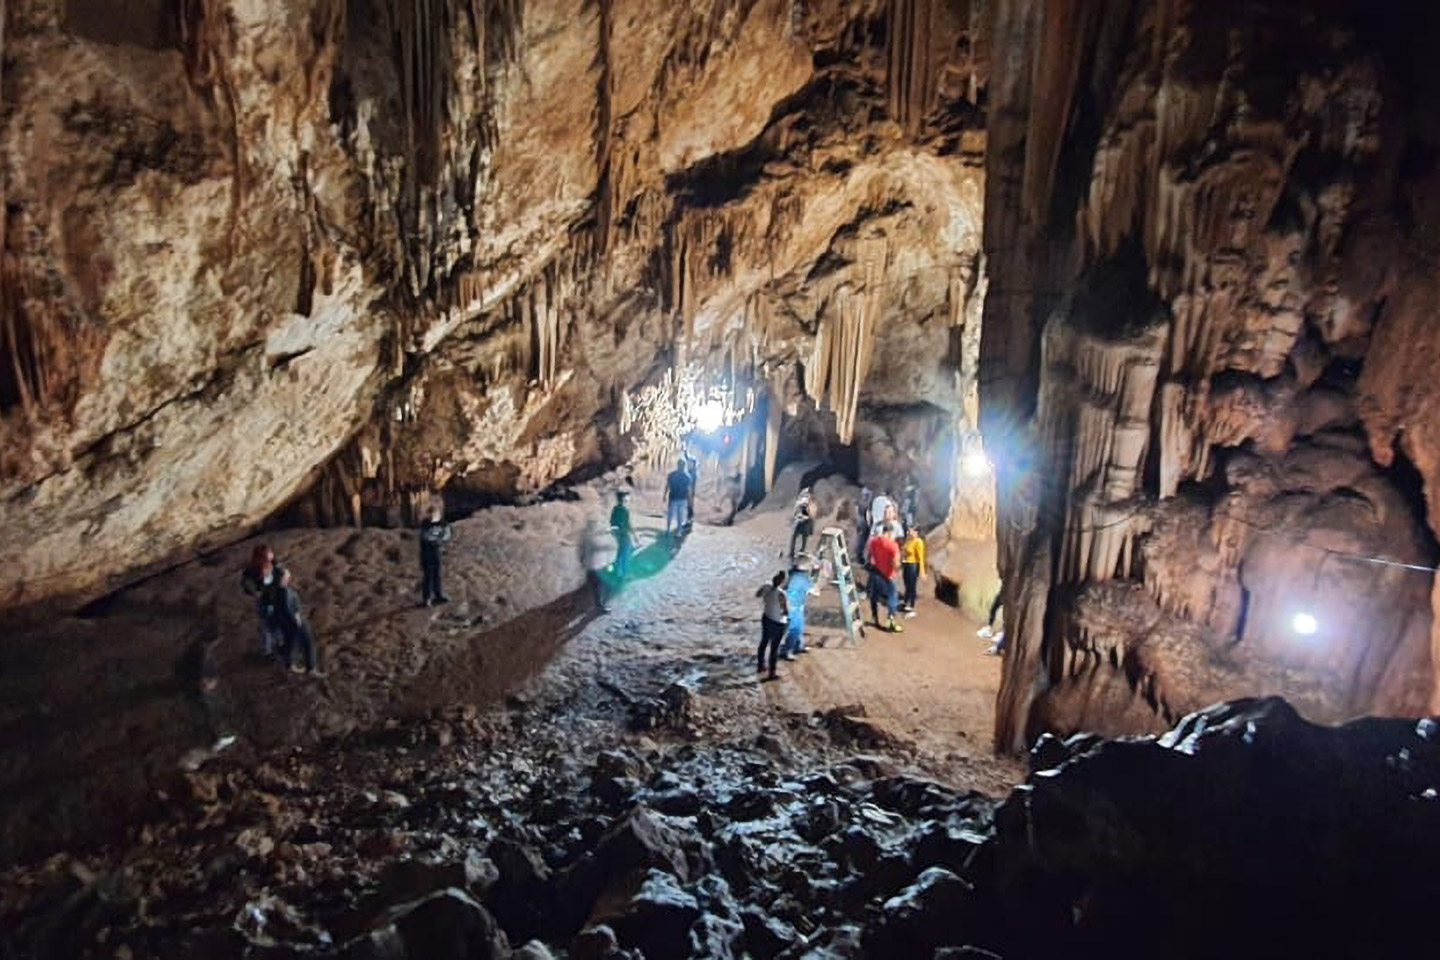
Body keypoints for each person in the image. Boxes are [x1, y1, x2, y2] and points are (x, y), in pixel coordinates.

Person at [174, 626, 236, 770]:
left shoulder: (202, 652)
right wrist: (205, 683)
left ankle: (216, 736)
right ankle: (218, 736)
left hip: (201, 689)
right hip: (199, 690)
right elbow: (196, 674)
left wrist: (212, 680)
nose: (215, 645)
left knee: (211, 709)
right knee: (209, 710)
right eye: (214, 643)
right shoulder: (200, 654)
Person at [240, 545, 286, 658]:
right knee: (266, 625)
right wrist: (255, 592)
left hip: (276, 597)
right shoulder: (252, 570)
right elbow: (246, 583)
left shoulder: (274, 563)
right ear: (258, 559)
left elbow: (282, 573)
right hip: (264, 600)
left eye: (270, 558)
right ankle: (267, 651)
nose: (269, 561)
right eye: (266, 559)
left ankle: (281, 644)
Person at [275, 569, 322, 676]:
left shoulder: (277, 590)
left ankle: (289, 665)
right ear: (283, 578)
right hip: (295, 621)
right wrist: (297, 620)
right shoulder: (285, 592)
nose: (289, 577)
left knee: (290, 643)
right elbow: (289, 609)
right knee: (308, 642)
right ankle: (311, 669)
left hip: (285, 622)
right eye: (287, 576)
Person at [866, 528, 903, 633]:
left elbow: (871, 556)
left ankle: (874, 616)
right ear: (890, 532)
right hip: (888, 576)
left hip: (876, 572)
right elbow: (896, 563)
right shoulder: (893, 545)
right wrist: (898, 568)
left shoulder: (874, 541)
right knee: (892, 596)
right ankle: (890, 619)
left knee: (874, 596)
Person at [757, 570, 789, 681]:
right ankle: (772, 673)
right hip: (778, 623)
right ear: (783, 582)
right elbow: (786, 611)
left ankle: (760, 666)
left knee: (764, 642)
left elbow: (758, 594)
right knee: (774, 648)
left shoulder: (766, 587)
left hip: (766, 618)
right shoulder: (782, 594)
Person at [781, 556, 813, 659]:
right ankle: (787, 652)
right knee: (795, 629)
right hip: (794, 608)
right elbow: (814, 591)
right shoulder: (803, 579)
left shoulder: (792, 574)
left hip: (790, 606)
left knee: (799, 628)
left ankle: (799, 646)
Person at [665, 457, 693, 540]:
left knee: (673, 515)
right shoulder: (687, 476)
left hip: (675, 498)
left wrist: (665, 494)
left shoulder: (672, 475)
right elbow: (689, 490)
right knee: (679, 516)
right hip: (681, 498)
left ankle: (669, 530)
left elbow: (667, 486)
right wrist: (690, 501)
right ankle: (678, 531)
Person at [901, 526, 926, 615]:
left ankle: (911, 605)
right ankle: (905, 601)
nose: (908, 532)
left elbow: (921, 558)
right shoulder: (909, 540)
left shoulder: (918, 542)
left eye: (910, 530)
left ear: (916, 532)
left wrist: (922, 572)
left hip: (913, 565)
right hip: (906, 564)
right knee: (907, 584)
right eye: (908, 530)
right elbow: (904, 550)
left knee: (912, 585)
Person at [610, 489, 635, 581]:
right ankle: (623, 574)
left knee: (622, 551)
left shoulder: (615, 508)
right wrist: (634, 535)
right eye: (627, 496)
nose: (629, 497)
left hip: (618, 533)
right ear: (624, 498)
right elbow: (628, 524)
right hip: (623, 533)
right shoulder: (624, 510)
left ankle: (617, 570)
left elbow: (612, 521)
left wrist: (614, 531)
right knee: (625, 553)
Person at [979, 585, 1005, 654]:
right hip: (1003, 592)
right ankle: (989, 628)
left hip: (1011, 595)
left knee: (1007, 614)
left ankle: (1001, 634)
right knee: (993, 609)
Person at [789, 488, 814, 559]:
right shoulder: (804, 500)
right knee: (799, 536)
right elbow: (803, 508)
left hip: (802, 520)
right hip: (801, 520)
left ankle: (794, 552)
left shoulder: (802, 500)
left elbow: (803, 510)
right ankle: (795, 551)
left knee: (798, 536)